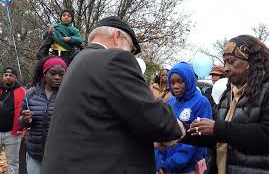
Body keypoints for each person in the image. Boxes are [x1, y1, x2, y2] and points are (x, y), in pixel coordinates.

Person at [40, 16, 185, 174]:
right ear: (117, 36)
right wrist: (175, 127)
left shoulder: (77, 61)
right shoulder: (114, 59)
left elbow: (99, 121)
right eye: (131, 49)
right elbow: (156, 120)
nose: (131, 55)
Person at [182, 35, 269, 174]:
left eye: (231, 61)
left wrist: (218, 128)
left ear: (251, 62)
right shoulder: (228, 92)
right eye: (225, 62)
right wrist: (182, 132)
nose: (226, 68)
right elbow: (223, 139)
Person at [156, 62, 212, 174]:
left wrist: (170, 165)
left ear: (189, 80)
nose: (175, 86)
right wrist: (159, 162)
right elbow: (160, 133)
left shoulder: (201, 102)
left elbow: (197, 140)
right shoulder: (170, 102)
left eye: (180, 81)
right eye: (172, 82)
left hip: (188, 169)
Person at [19, 56, 67, 174]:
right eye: (53, 73)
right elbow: (21, 119)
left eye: (61, 74)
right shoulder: (31, 93)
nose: (57, 77)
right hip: (35, 153)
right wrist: (25, 120)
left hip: (60, 155)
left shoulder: (68, 94)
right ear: (44, 74)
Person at [0, 67, 26, 174]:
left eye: (11, 75)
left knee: (13, 163)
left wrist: (25, 128)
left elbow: (27, 111)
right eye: (5, 75)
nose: (8, 77)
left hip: (13, 134)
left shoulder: (23, 91)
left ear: (15, 78)